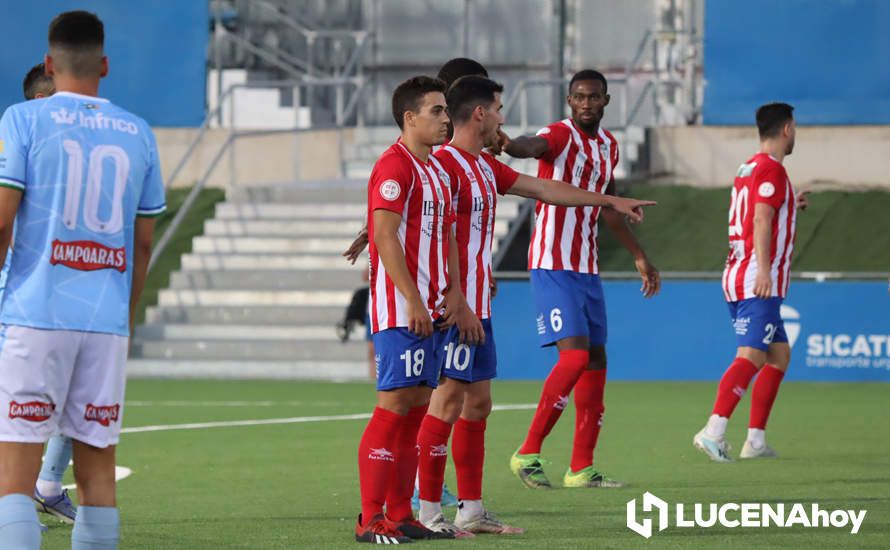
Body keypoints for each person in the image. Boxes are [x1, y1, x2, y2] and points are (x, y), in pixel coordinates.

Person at [414, 74, 656, 535]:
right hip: (453, 302)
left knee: (478, 404)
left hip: (480, 300)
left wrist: (608, 198)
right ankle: (427, 513)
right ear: (481, 113)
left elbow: (546, 189)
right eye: (499, 109)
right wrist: (452, 293)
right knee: (445, 401)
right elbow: (413, 214)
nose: (504, 118)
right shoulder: (441, 164)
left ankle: (471, 510)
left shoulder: (483, 167)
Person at [0, 11, 165, 549]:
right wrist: (128, 315)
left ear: (50, 63)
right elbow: (144, 243)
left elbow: (3, 219)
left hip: (34, 313)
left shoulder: (23, 119)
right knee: (97, 475)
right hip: (104, 322)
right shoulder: (138, 133)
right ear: (106, 65)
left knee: (15, 478)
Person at [504, 69, 661, 489]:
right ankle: (528, 453)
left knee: (596, 363)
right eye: (579, 97)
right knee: (573, 359)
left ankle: (581, 468)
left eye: (594, 97)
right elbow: (529, 146)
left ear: (606, 101)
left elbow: (609, 207)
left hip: (586, 269)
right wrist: (508, 144)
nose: (586, 103)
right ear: (569, 101)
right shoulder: (557, 134)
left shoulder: (609, 146)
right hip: (552, 264)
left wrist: (640, 255)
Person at [354, 75, 480, 544]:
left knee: (418, 409)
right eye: (436, 111)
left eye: (447, 110)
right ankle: (369, 520)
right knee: (393, 407)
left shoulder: (438, 172)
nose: (446, 119)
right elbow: (383, 235)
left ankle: (403, 514)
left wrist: (449, 291)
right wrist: (411, 299)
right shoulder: (394, 167)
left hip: (432, 308)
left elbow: (447, 238)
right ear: (410, 117)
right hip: (399, 309)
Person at [693, 102, 808, 462]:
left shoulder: (748, 167)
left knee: (779, 354)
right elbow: (760, 219)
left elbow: (761, 210)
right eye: (795, 128)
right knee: (752, 355)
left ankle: (755, 440)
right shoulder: (773, 170)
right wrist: (763, 270)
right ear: (786, 128)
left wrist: (791, 203)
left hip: (737, 272)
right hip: (757, 278)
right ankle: (714, 430)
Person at [14, 62, 79, 526]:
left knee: (80, 395)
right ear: (41, 103)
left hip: (59, 294)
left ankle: (48, 485)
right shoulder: (15, 144)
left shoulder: (65, 152)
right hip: (20, 297)